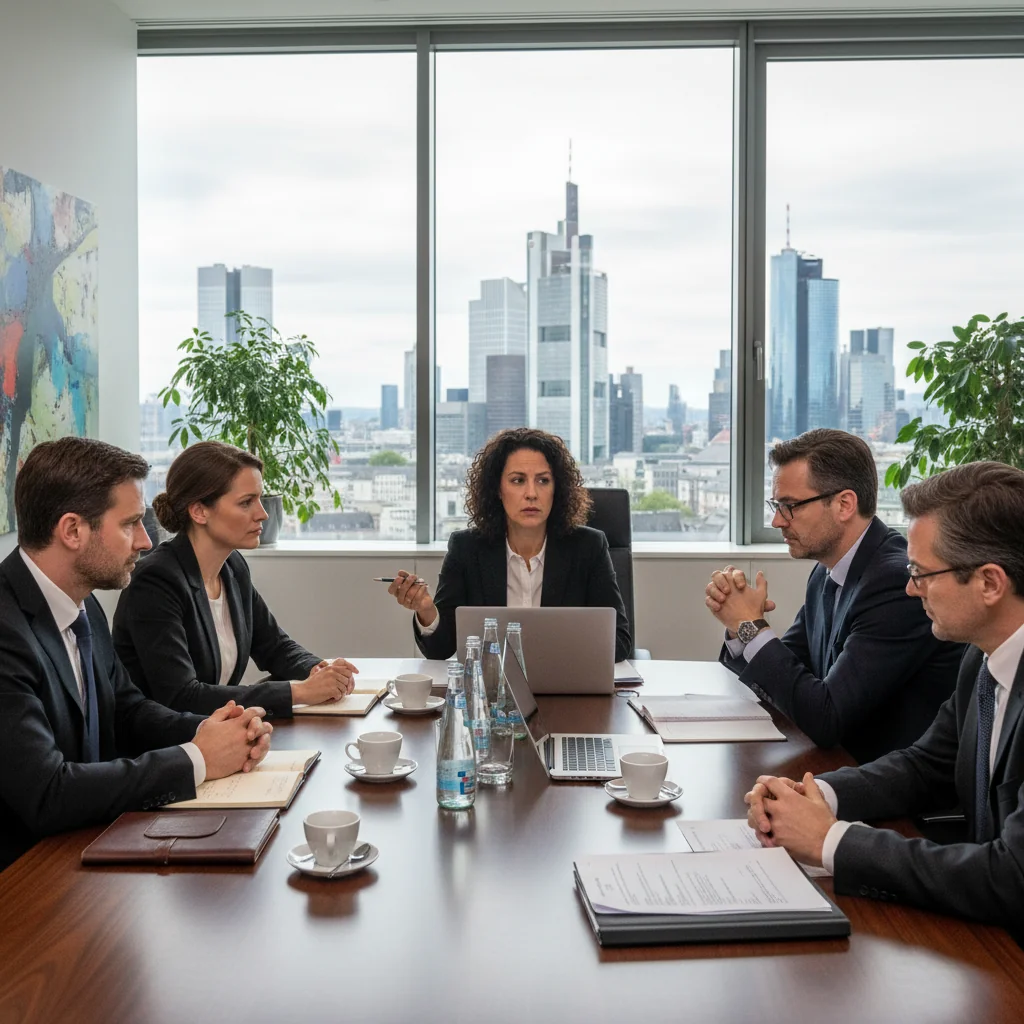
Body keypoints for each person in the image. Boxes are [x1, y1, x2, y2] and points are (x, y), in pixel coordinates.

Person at [744, 462, 1024, 936]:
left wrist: (830, 840)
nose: (911, 587)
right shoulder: (982, 660)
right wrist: (817, 796)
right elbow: (926, 765)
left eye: (922, 573)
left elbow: (1012, 877)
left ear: (990, 583)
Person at [0, 437, 273, 870]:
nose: (146, 541)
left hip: (84, 843)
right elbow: (46, 791)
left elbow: (126, 710)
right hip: (24, 876)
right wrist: (197, 759)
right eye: (130, 524)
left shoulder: (83, 602)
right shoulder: (6, 629)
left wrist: (215, 730)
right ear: (72, 530)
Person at [705, 428, 962, 763]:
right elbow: (781, 683)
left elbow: (826, 718)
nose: (776, 520)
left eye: (790, 506)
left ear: (844, 504)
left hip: (889, 792)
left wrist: (750, 625)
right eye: (776, 505)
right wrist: (740, 628)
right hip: (835, 767)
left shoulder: (894, 583)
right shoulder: (827, 572)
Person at [113, 441, 357, 719]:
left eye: (259, 499)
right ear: (199, 511)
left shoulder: (232, 566)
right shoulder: (156, 582)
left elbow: (274, 646)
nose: (262, 514)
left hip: (219, 733)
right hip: (164, 748)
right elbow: (182, 696)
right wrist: (298, 692)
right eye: (246, 503)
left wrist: (320, 670)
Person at [388, 427, 631, 662]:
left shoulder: (588, 547)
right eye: (518, 480)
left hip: (567, 689)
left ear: (558, 489)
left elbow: (619, 643)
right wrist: (427, 610)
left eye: (543, 481)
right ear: (497, 489)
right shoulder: (467, 548)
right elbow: (440, 650)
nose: (531, 493)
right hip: (493, 694)